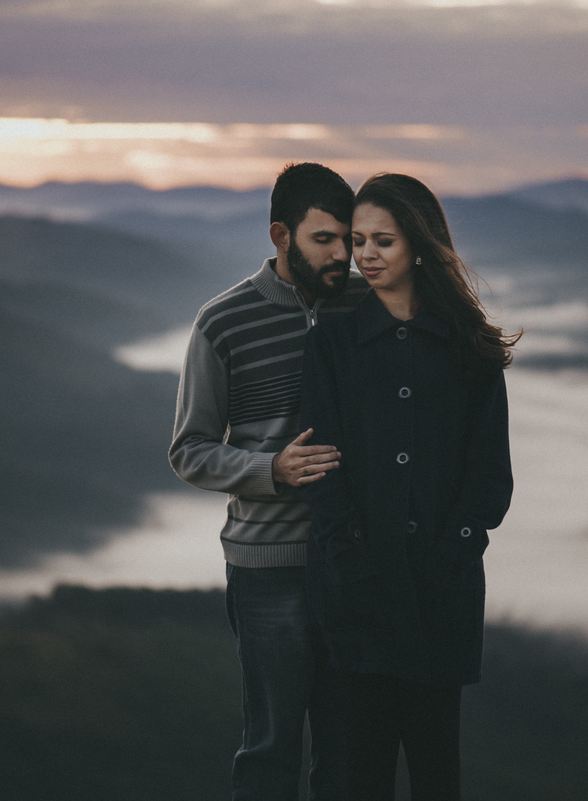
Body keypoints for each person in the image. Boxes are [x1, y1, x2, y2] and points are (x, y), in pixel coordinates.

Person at [296, 173, 518, 801]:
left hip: (440, 596)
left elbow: (490, 477)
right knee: (361, 773)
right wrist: (355, 560)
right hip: (356, 594)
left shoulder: (468, 346)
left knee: (436, 773)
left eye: (383, 241)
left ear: (418, 246)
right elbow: (320, 465)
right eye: (358, 239)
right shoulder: (331, 345)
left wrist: (451, 554)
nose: (365, 254)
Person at [169, 162, 368, 801]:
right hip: (266, 571)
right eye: (324, 240)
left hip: (355, 565)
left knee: (349, 759)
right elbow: (190, 450)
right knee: (270, 752)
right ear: (281, 236)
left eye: (349, 238)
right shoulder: (222, 321)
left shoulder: (366, 306)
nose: (343, 255)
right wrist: (270, 471)